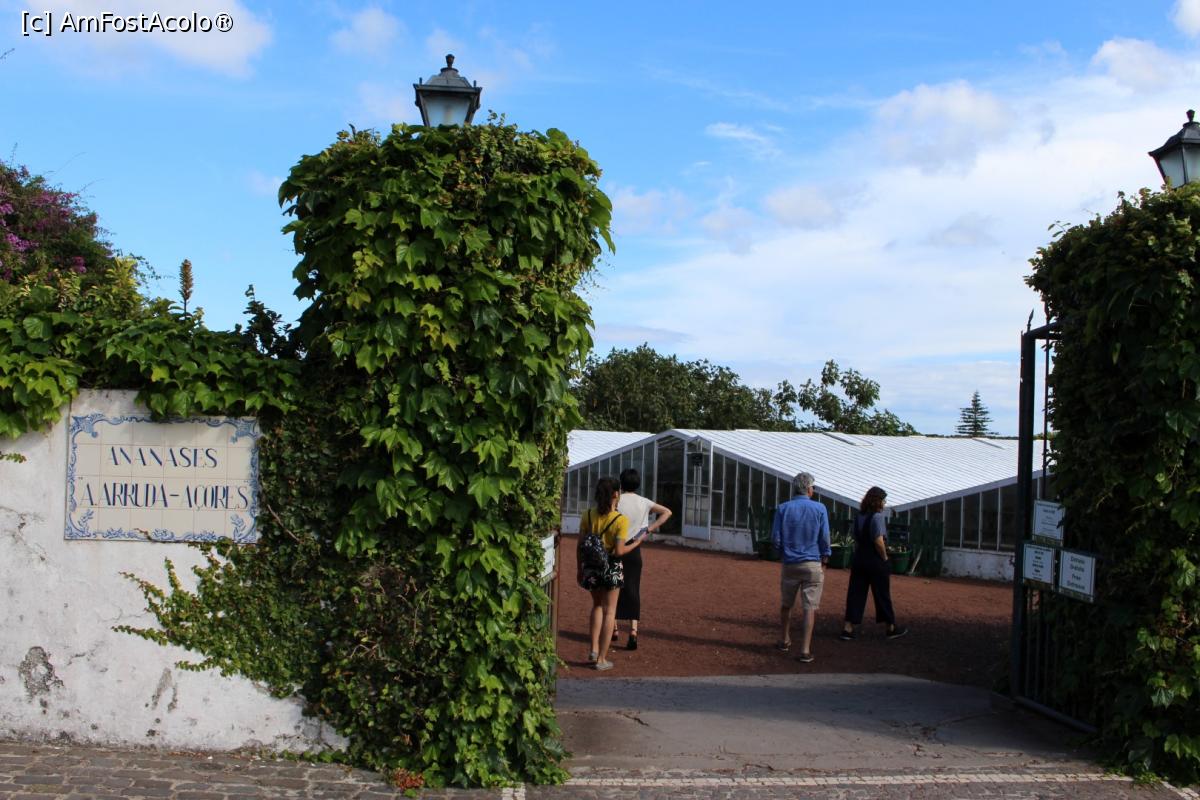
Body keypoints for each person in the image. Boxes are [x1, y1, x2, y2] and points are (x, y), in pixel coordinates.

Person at [576, 476, 644, 671]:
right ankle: (602, 660)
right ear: (616, 494)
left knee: (597, 605)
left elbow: (580, 545)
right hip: (612, 567)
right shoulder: (620, 520)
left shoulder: (587, 515)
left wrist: (579, 568)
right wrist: (637, 543)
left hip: (591, 567)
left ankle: (593, 649)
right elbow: (619, 551)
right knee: (610, 612)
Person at [770, 472, 831, 663]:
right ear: (809, 489)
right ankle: (805, 650)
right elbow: (824, 537)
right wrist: (825, 557)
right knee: (809, 608)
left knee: (786, 604)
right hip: (812, 563)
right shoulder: (820, 508)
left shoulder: (783, 508)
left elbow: (775, 538)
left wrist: (783, 553)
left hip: (790, 563)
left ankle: (784, 639)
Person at [613, 468, 673, 651]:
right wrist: (647, 531)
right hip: (634, 548)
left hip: (615, 547)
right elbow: (667, 512)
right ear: (637, 484)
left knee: (613, 586)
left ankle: (614, 628)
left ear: (621, 483)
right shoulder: (644, 502)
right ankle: (633, 631)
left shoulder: (616, 500)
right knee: (633, 589)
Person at [840, 486, 908, 641]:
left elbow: (856, 538)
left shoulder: (859, 517)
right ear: (877, 501)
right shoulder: (877, 517)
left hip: (859, 559)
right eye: (883, 500)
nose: (884, 503)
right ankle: (890, 627)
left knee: (856, 593)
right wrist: (884, 558)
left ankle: (848, 628)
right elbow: (878, 541)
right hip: (875, 560)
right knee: (882, 594)